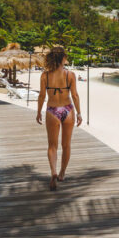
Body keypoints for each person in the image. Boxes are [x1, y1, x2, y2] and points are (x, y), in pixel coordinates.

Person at [36, 47, 82, 191]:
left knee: (52, 146)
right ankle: (62, 173)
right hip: (67, 110)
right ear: (62, 58)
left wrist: (38, 112)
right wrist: (79, 113)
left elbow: (42, 96)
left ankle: (53, 172)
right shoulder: (70, 75)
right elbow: (74, 95)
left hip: (52, 111)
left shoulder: (45, 76)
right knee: (66, 145)